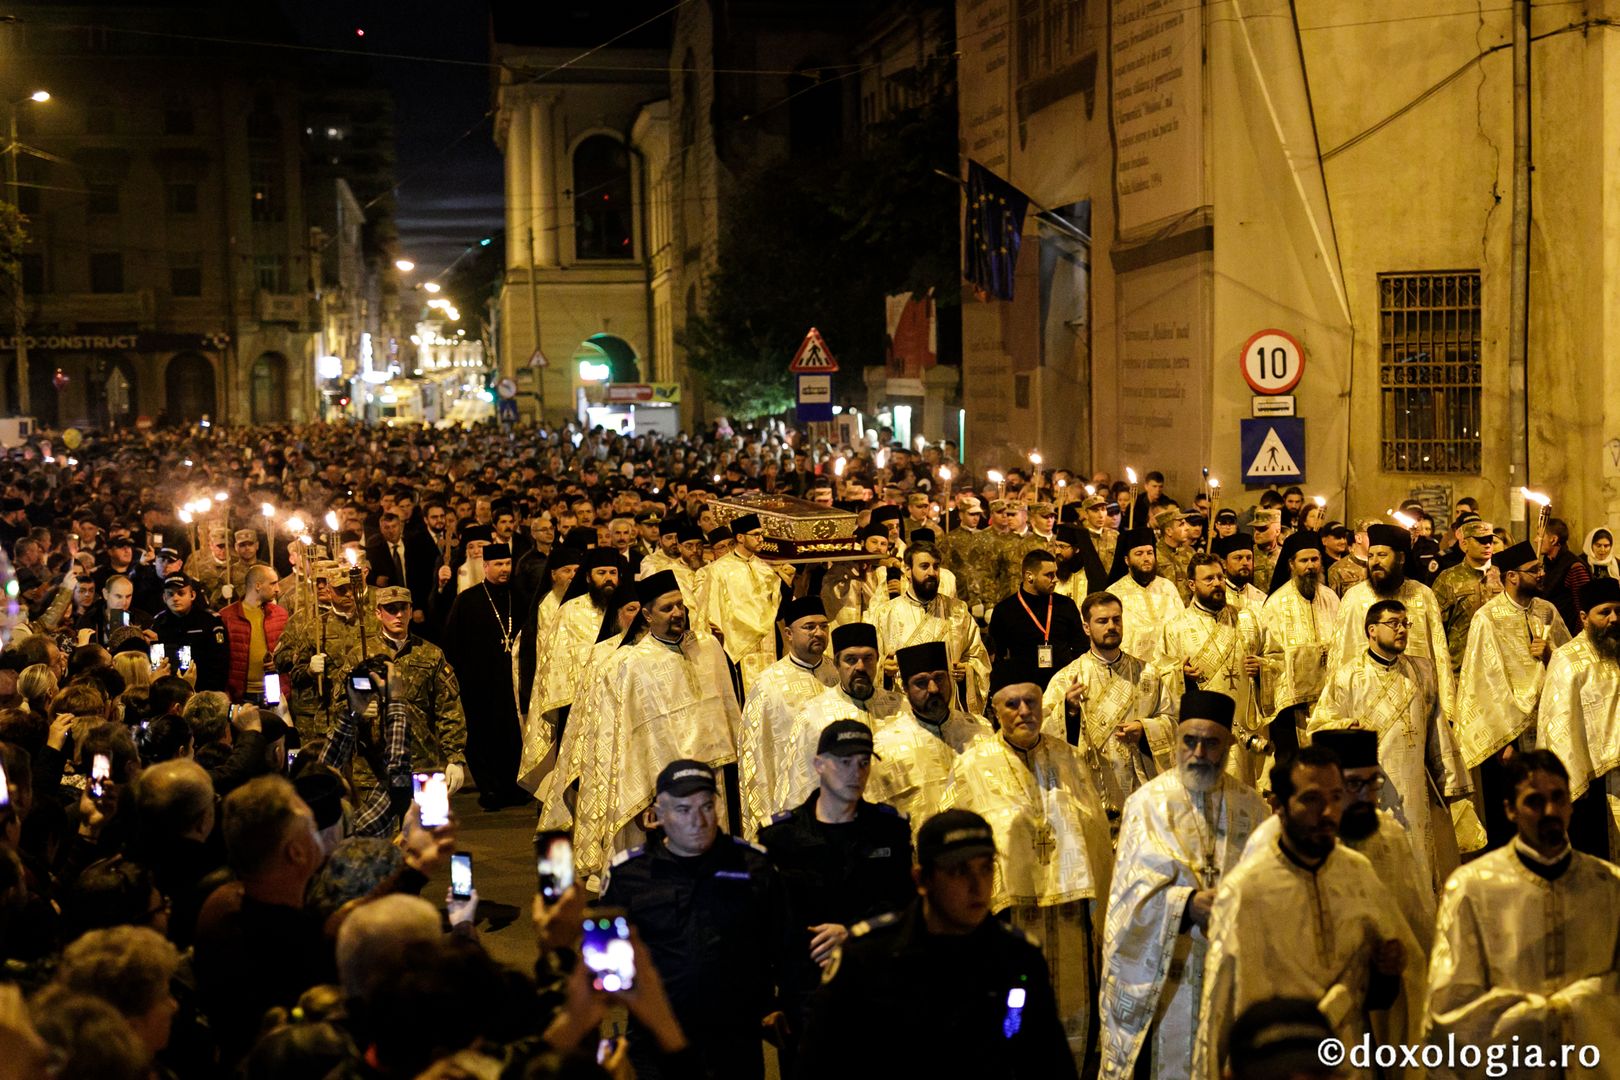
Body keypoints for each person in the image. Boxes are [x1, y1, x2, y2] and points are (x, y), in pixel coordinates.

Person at [1193, 747, 1425, 1080]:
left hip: (1350, 1064)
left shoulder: (1358, 874)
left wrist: (1386, 970)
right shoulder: (1245, 891)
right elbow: (1218, 1012)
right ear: (1279, 806)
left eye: (1336, 797)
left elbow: (1379, 995)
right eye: (1312, 799)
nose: (1329, 812)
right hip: (1277, 1068)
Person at [797, 808, 1079, 1080]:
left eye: (985, 868)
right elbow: (818, 1063)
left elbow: (1048, 1062)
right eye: (959, 871)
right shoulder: (869, 956)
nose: (978, 886)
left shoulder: (1017, 956)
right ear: (922, 880)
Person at [1097, 689, 1270, 1080]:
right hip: (1165, 975)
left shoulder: (1253, 808)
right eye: (1189, 741)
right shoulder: (1145, 805)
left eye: (1211, 743)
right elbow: (1126, 901)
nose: (1199, 753)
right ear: (1176, 741)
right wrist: (1186, 904)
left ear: (1228, 744)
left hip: (1230, 969)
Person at [950, 679, 1113, 1071]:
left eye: (1031, 701)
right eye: (1012, 704)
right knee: (1013, 1012)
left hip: (1071, 909)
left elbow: (1094, 829)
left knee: (1073, 1012)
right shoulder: (973, 764)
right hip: (1009, 917)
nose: (1024, 711)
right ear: (995, 711)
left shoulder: (1069, 758)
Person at [1424, 749, 1620, 1072]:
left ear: (1570, 804)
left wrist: (1572, 1008)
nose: (1550, 811)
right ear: (1510, 810)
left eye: (1558, 798)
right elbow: (1450, 1007)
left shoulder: (1608, 885)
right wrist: (1548, 1015)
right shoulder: (1472, 889)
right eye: (1534, 802)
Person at [599, 759, 788, 1080]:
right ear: (658, 816)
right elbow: (604, 960)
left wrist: (777, 1005)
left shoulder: (752, 866)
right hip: (656, 1044)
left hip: (733, 1043)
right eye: (684, 810)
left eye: (706, 807)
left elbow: (784, 944)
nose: (698, 821)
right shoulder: (628, 875)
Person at [572, 570, 741, 884]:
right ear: (647, 615)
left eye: (680, 605)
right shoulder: (631, 664)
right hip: (663, 781)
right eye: (667, 608)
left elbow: (728, 710)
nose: (677, 613)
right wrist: (642, 797)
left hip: (712, 774)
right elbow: (625, 736)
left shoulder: (708, 648)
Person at [758, 719, 913, 1057]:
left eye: (863, 762)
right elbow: (761, 927)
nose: (856, 773)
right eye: (844, 762)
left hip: (874, 992)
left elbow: (906, 909)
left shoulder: (889, 831)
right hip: (805, 998)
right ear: (818, 765)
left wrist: (853, 932)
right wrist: (766, 1003)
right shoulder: (781, 837)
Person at [1310, 598, 1468, 894]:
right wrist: (1346, 728)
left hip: (1414, 789)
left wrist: (1448, 781)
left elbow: (1436, 726)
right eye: (1393, 623)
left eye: (1405, 624)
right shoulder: (1348, 676)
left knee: (1418, 865)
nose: (1402, 630)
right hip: (1367, 790)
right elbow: (1318, 727)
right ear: (1372, 630)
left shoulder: (1422, 671)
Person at [1241, 729, 1435, 950]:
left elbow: (1416, 925)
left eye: (1373, 781)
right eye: (1353, 784)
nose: (1367, 796)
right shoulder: (1273, 841)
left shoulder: (1389, 834)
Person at [1454, 540, 1570, 847]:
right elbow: (1482, 681)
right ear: (1512, 576)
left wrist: (1550, 655)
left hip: (1547, 723)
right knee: (1511, 815)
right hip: (1508, 734)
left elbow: (1569, 665)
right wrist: (1504, 741)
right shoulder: (1487, 618)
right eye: (1534, 570)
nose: (1542, 574)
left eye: (1541, 568)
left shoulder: (1547, 611)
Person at [1043, 590, 1174, 815]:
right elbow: (1044, 734)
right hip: (1090, 786)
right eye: (1102, 621)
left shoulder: (1148, 674)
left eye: (1116, 620)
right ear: (1086, 628)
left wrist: (1145, 728)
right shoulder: (1067, 678)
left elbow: (1173, 720)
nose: (1111, 626)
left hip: (1139, 785)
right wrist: (1069, 710)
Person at [1325, 522, 1455, 724]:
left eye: (1382, 555)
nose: (1375, 562)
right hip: (1366, 705)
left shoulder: (1423, 596)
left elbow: (1439, 653)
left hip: (1416, 703)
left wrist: (1446, 708)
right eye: (1371, 556)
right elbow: (1340, 656)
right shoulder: (1354, 598)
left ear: (1401, 558)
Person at [1155, 554, 1265, 780]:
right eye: (1209, 579)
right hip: (1202, 731)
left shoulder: (1246, 619)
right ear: (1191, 585)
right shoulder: (1175, 628)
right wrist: (1180, 674)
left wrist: (1262, 667)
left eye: (1220, 577)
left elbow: (1275, 658)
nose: (1217, 583)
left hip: (1244, 725)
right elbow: (1159, 675)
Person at [776, 622, 904, 815]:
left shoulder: (900, 707)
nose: (860, 667)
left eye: (868, 658)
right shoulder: (812, 716)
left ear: (877, 660)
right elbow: (799, 787)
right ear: (837, 664)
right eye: (850, 660)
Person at [736, 596, 836, 839]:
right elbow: (754, 756)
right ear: (789, 634)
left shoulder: (838, 674)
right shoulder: (767, 684)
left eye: (823, 626)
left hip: (838, 796)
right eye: (809, 627)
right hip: (793, 802)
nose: (818, 633)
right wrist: (763, 821)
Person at [1537, 574, 1620, 859]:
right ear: (1584, 617)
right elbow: (1557, 723)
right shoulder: (1567, 660)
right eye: (1604, 612)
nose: (1613, 619)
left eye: (1618, 611)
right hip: (1592, 780)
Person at [441, 542, 527, 809]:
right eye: (498, 564)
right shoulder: (468, 600)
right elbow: (453, 642)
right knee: (482, 735)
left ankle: (513, 786)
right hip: (479, 682)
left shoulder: (520, 597)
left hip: (512, 681)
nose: (504, 569)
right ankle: (488, 788)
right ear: (486, 566)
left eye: (507, 564)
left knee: (512, 735)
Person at [867, 641, 984, 837]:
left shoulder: (980, 730)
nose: (933, 688)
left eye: (939, 678)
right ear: (905, 688)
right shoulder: (885, 746)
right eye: (921, 682)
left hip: (976, 846)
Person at [866, 541, 990, 713]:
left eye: (936, 566)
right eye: (924, 566)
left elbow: (977, 656)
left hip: (948, 710)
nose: (932, 573)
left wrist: (967, 671)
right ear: (907, 570)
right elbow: (869, 661)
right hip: (902, 713)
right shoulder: (885, 613)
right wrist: (883, 669)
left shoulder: (958, 611)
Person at [1258, 530, 1340, 757]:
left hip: (1329, 700)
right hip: (1292, 707)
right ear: (1291, 564)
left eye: (1315, 559)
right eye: (1304, 561)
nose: (1310, 566)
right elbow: (1269, 654)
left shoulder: (1331, 598)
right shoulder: (1276, 604)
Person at [703, 512, 791, 693]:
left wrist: (787, 584)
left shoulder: (764, 568)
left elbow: (779, 608)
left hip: (768, 638)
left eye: (761, 534)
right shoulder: (720, 569)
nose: (761, 539)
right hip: (738, 642)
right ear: (740, 537)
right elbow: (712, 610)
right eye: (756, 534)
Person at [987, 549, 1085, 691]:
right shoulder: (1005, 610)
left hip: (1061, 687)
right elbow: (997, 657)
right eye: (1049, 575)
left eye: (1055, 573)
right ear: (1029, 576)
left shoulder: (1066, 605)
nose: (1055, 579)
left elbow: (1081, 647)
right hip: (1022, 690)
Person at [1431, 517, 1500, 679]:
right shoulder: (1448, 578)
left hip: (1497, 670)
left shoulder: (1502, 576)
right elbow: (1435, 627)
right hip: (1460, 670)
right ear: (1464, 544)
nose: (1487, 545)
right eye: (1480, 541)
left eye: (1490, 540)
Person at [1107, 528, 1181, 665]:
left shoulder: (1168, 587)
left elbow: (1182, 626)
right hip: (1133, 668)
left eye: (1150, 553)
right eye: (1139, 554)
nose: (1146, 558)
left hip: (1172, 668)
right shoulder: (1114, 593)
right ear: (1127, 560)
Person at [219, 563, 288, 705]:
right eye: (273, 583)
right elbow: (220, 659)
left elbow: (289, 651)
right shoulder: (227, 616)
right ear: (258, 586)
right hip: (240, 694)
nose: (278, 589)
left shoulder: (280, 614)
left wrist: (279, 662)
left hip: (274, 690)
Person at [150, 574, 228, 693]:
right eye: (170, 594)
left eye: (181, 593)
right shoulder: (158, 623)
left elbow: (220, 663)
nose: (175, 598)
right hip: (167, 691)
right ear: (164, 598)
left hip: (203, 689)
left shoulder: (209, 622)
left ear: (192, 595)